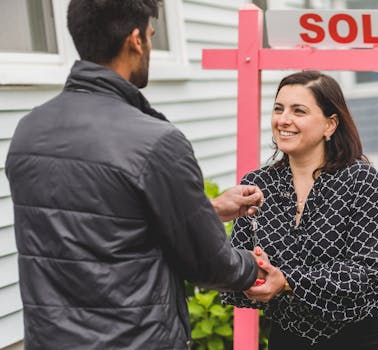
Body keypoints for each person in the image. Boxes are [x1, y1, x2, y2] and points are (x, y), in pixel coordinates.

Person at [5, 1, 264, 349]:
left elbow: (95, 220)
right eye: (152, 36)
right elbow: (207, 264)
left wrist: (208, 208)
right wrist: (253, 268)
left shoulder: (28, 132)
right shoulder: (155, 142)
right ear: (136, 40)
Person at [221, 70, 378, 349]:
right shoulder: (255, 185)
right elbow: (236, 264)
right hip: (288, 338)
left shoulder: (361, 180)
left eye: (298, 111)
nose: (283, 120)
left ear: (330, 124)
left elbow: (364, 271)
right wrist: (254, 273)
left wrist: (287, 280)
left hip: (361, 338)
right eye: (278, 109)